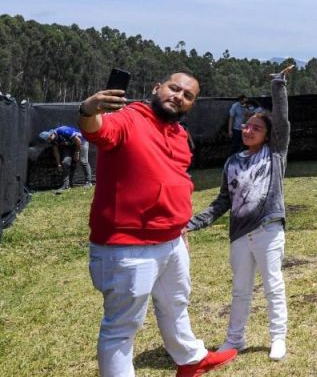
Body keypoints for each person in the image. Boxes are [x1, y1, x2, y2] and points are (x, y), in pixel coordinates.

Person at [78, 73, 238, 377]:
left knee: (176, 304)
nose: (179, 96)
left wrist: (180, 229)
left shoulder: (178, 134)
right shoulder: (128, 119)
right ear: (157, 88)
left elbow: (174, 180)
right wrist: (88, 109)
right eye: (174, 88)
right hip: (127, 247)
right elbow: (96, 130)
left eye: (187, 95)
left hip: (173, 240)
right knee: (121, 329)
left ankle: (191, 360)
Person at [187, 65, 294, 362]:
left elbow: (282, 121)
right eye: (246, 126)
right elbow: (223, 201)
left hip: (269, 229)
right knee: (240, 290)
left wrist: (277, 85)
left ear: (269, 135)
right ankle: (235, 340)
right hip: (238, 235)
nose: (248, 130)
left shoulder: (275, 154)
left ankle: (277, 338)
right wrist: (193, 223)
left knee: (273, 285)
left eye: (256, 128)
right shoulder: (232, 161)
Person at [39, 125, 94, 190]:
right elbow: (56, 151)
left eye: (49, 139)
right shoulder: (52, 140)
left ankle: (88, 182)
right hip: (69, 145)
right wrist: (58, 164)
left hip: (81, 141)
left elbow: (78, 140)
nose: (49, 141)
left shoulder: (63, 130)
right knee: (65, 162)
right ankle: (66, 185)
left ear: (51, 134)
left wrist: (77, 152)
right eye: (48, 140)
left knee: (83, 161)